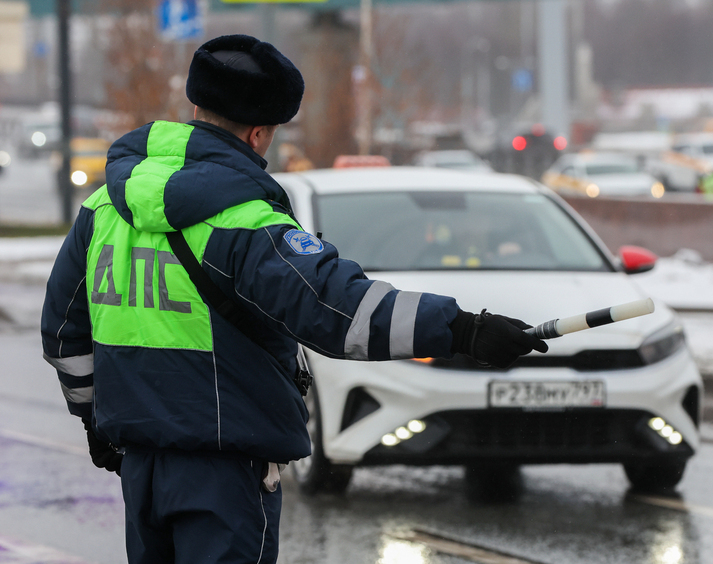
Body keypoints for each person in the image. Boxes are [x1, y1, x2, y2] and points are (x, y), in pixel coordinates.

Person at [40, 34, 547, 564]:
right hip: (226, 472)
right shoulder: (244, 222)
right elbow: (339, 310)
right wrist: (463, 329)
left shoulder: (103, 209)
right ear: (260, 134)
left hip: (142, 467)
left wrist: (93, 420)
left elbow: (62, 335)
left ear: (195, 106)